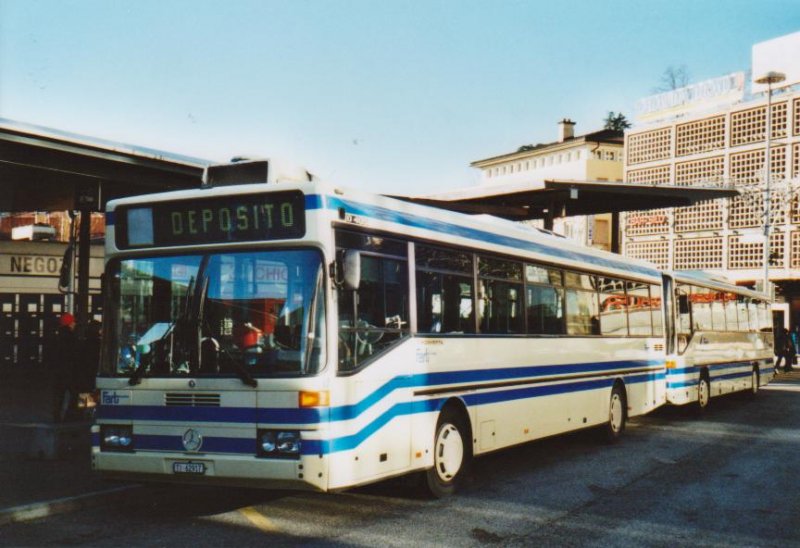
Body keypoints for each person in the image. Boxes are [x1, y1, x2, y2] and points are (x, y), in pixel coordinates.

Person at [52, 312, 78, 422]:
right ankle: (70, 415)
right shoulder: (71, 337)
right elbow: (75, 354)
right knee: (74, 394)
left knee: (59, 394)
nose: (75, 324)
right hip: (70, 370)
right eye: (73, 322)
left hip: (59, 371)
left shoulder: (57, 337)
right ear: (69, 323)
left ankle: (57, 416)